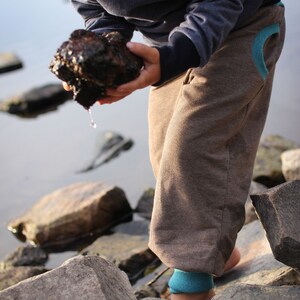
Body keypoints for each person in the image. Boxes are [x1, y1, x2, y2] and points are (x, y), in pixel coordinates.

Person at [66, 1, 285, 299]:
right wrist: (102, 55)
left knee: (193, 145)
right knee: (165, 148)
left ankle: (192, 283)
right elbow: (99, 12)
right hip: (166, 44)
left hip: (239, 28)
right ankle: (214, 249)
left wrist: (172, 57)